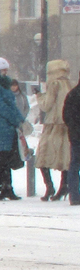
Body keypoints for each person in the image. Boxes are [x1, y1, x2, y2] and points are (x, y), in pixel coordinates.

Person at [0, 58, 26, 201]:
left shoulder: (3, 84)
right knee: (2, 157)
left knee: (6, 157)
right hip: (0, 124)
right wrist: (14, 119)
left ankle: (4, 187)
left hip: (8, 125)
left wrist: (20, 119)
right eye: (3, 70)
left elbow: (11, 105)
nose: (5, 72)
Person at [35, 59, 73, 201]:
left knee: (43, 157)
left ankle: (49, 186)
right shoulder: (69, 84)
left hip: (53, 125)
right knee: (65, 158)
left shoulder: (54, 84)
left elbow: (47, 105)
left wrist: (39, 96)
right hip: (66, 125)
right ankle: (64, 185)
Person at [63, 77, 80, 207]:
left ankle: (74, 196)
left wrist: (73, 128)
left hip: (75, 135)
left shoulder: (72, 94)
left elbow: (66, 116)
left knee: (74, 164)